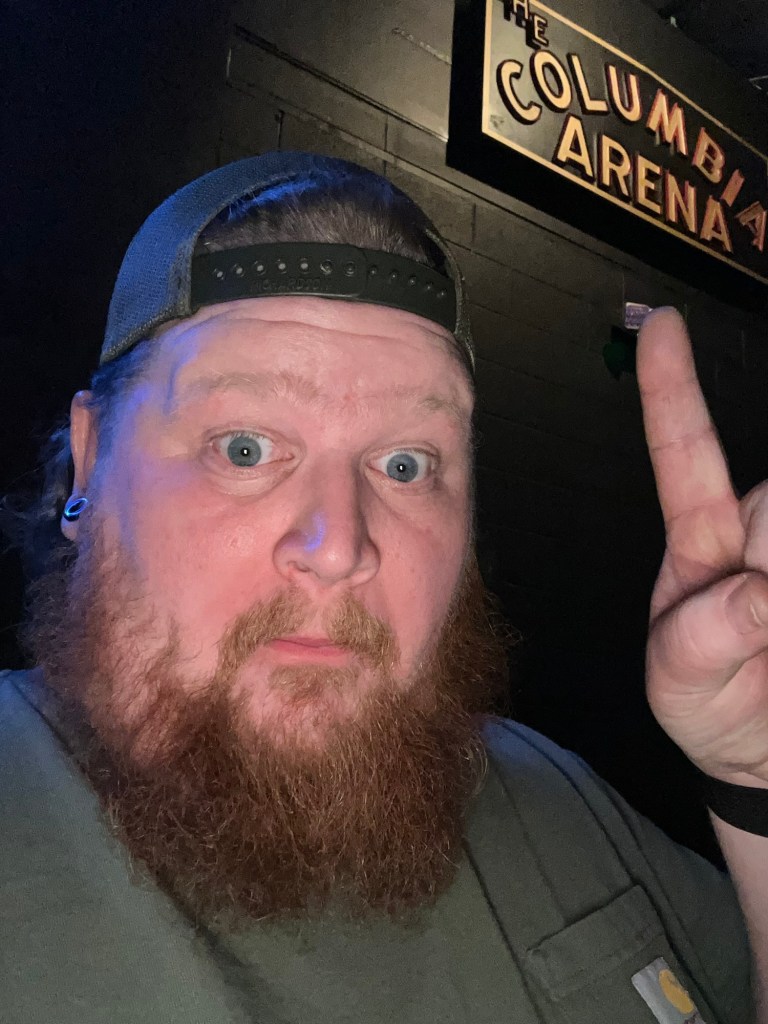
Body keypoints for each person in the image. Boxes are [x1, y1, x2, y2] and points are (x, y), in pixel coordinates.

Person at [1, 151, 766, 1024]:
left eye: (406, 464)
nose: (339, 547)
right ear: (92, 460)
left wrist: (755, 780)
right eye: (245, 449)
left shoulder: (553, 794)